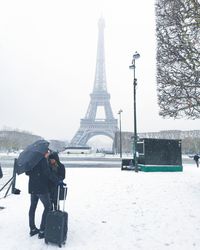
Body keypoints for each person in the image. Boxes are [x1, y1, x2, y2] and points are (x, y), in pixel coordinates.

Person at [26, 150, 66, 239]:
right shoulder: (43, 160)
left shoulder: (33, 160)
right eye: (47, 152)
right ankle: (42, 230)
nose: (48, 153)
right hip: (41, 188)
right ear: (44, 152)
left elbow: (27, 172)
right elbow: (47, 173)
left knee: (33, 207)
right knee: (48, 207)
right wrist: (57, 181)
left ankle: (32, 229)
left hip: (32, 187)